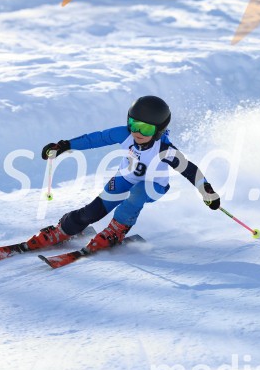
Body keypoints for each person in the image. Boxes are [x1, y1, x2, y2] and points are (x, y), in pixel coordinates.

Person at [29, 96, 222, 253]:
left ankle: (116, 230)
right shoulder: (125, 134)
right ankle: (63, 230)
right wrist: (65, 145)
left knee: (137, 193)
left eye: (145, 128)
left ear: (158, 130)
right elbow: (97, 138)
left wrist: (207, 191)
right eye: (133, 124)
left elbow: (189, 169)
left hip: (153, 186)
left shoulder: (164, 149)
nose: (137, 132)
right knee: (92, 212)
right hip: (125, 178)